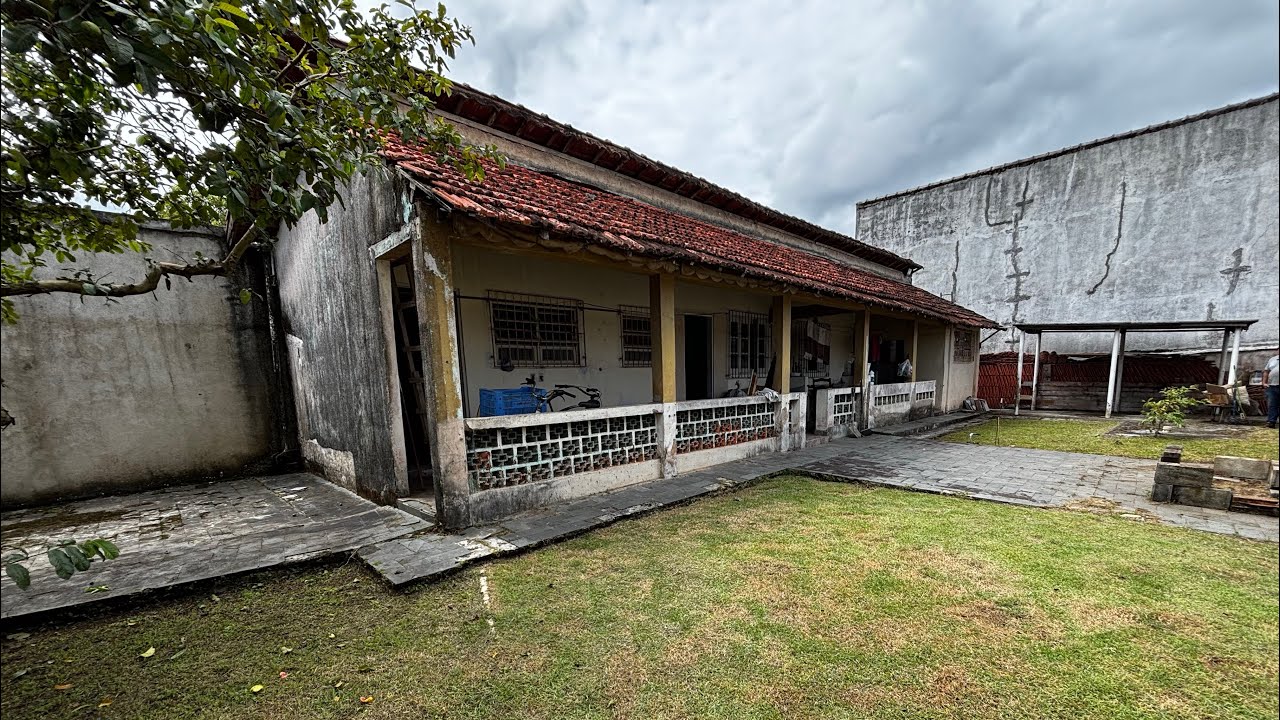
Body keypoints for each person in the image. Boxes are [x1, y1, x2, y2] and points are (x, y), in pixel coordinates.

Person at [1264, 353, 1280, 429]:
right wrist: (1264, 382)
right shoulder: (1272, 359)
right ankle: (1271, 422)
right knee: (1272, 404)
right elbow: (1266, 371)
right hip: (1272, 386)